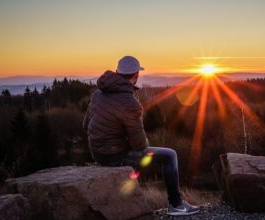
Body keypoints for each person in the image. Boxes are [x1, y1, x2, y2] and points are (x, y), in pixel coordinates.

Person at [83, 56, 199, 216]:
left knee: (135, 157)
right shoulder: (131, 104)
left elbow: (85, 125)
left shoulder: (97, 95)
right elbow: (139, 145)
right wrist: (144, 141)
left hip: (97, 153)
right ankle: (176, 205)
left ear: (117, 72)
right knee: (170, 155)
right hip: (114, 157)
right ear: (136, 76)